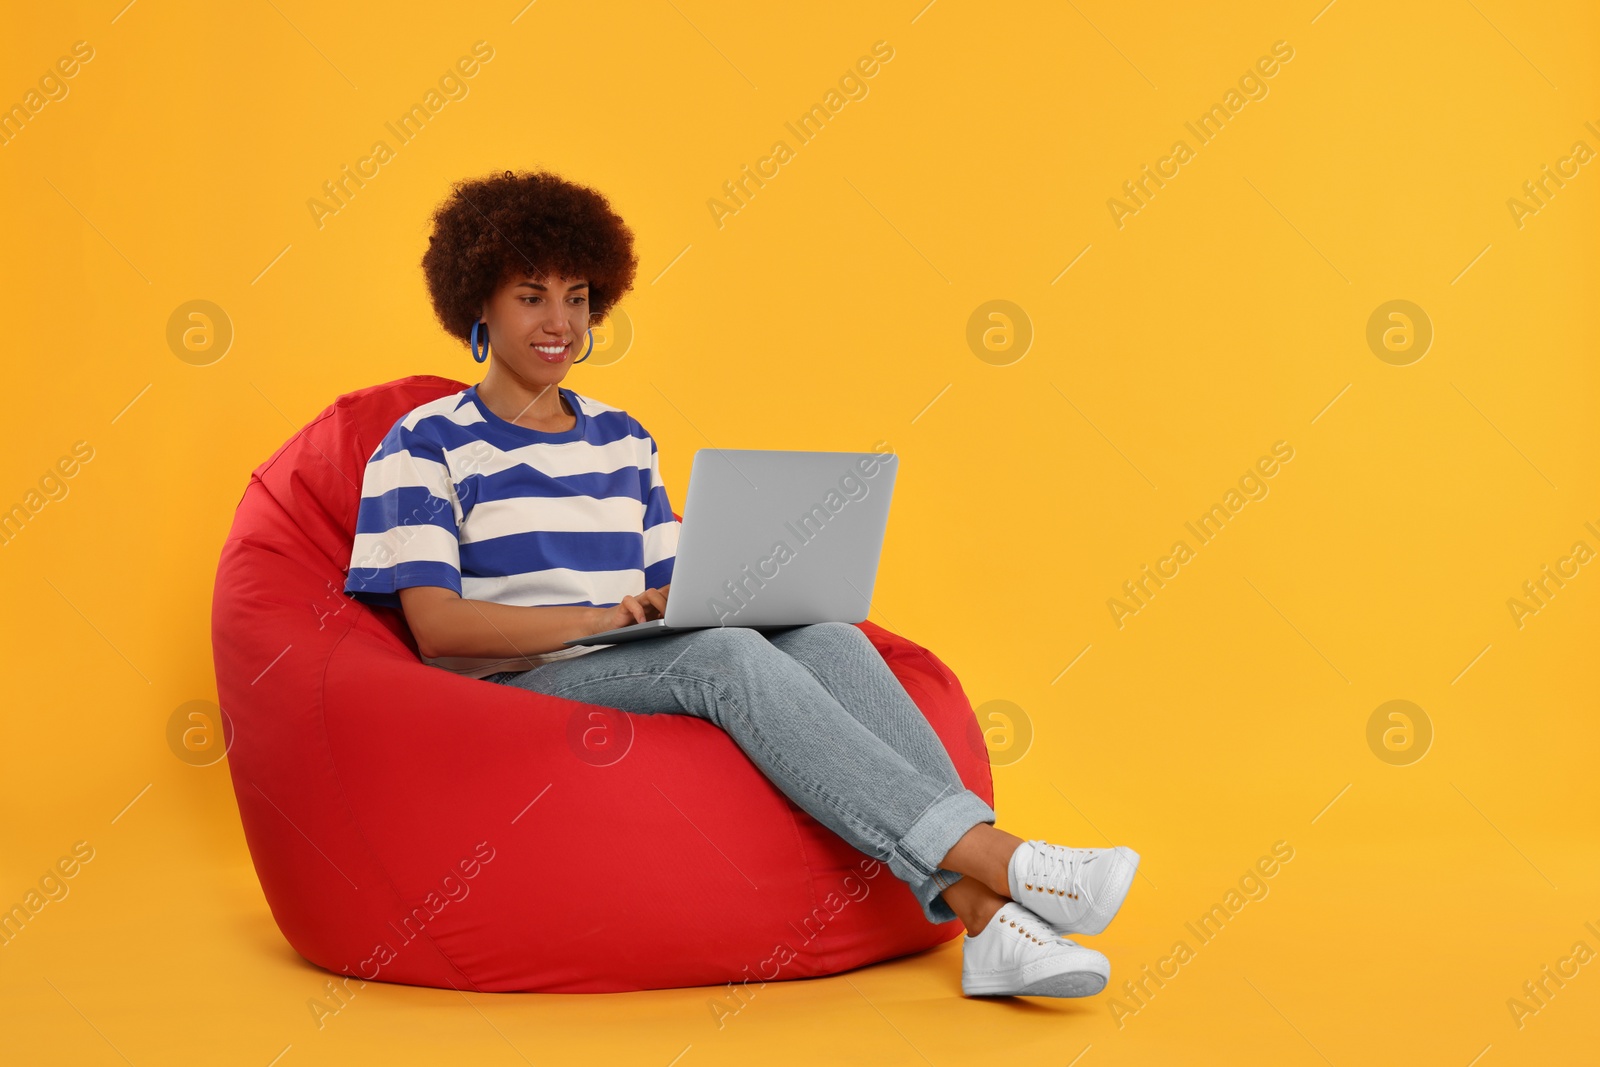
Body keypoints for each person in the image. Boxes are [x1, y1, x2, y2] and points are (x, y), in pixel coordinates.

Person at [343, 169, 1141, 999]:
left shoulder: (623, 440)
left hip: (630, 652)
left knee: (827, 636)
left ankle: (989, 922)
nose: (560, 324)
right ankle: (1008, 862)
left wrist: (725, 590)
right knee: (722, 658)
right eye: (531, 297)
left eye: (578, 299)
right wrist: (601, 614)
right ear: (478, 302)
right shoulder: (423, 443)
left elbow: (679, 591)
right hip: (516, 684)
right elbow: (436, 628)